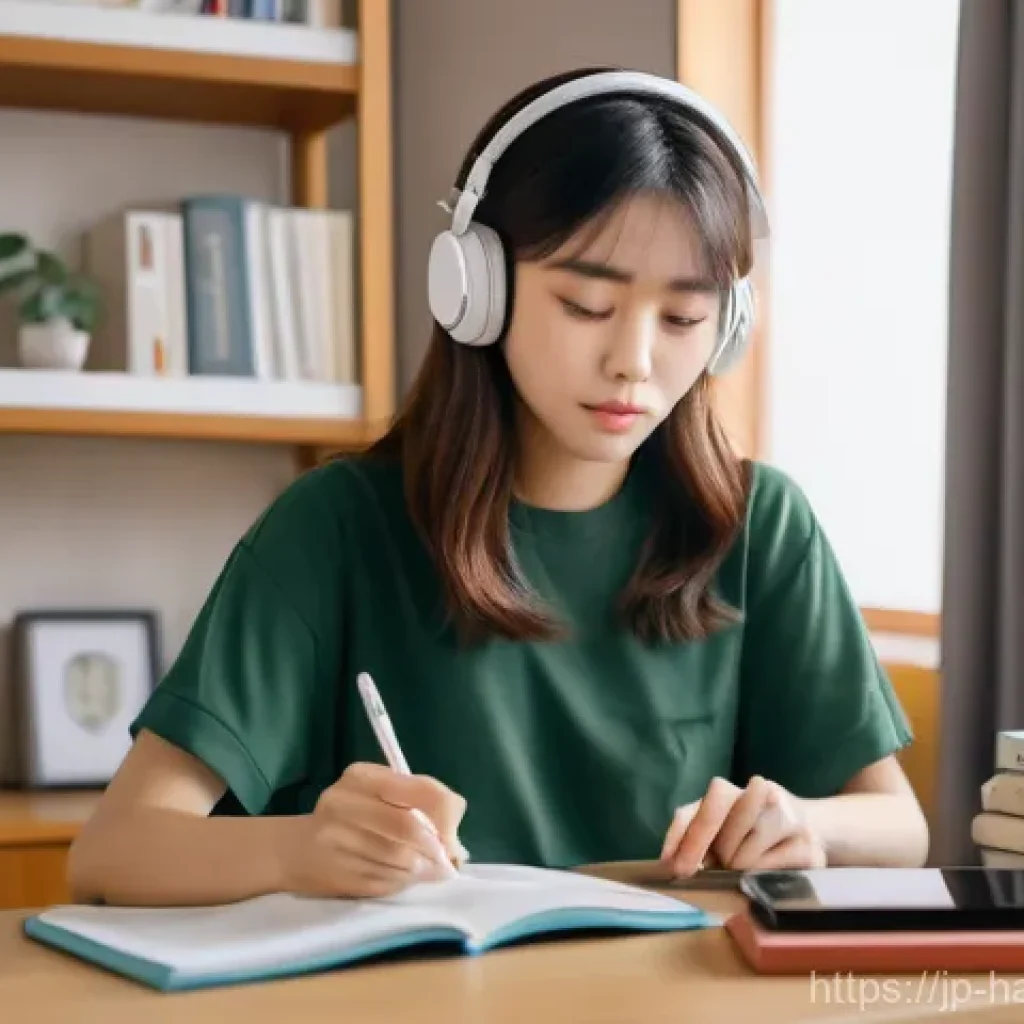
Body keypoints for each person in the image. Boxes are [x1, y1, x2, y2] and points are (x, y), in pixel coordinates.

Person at [67, 67, 929, 908]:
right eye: (587, 307)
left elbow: (900, 827)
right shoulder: (334, 527)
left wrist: (806, 824)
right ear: (474, 288)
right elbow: (114, 850)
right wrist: (299, 847)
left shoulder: (757, 526)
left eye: (682, 319)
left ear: (729, 326)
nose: (633, 359)